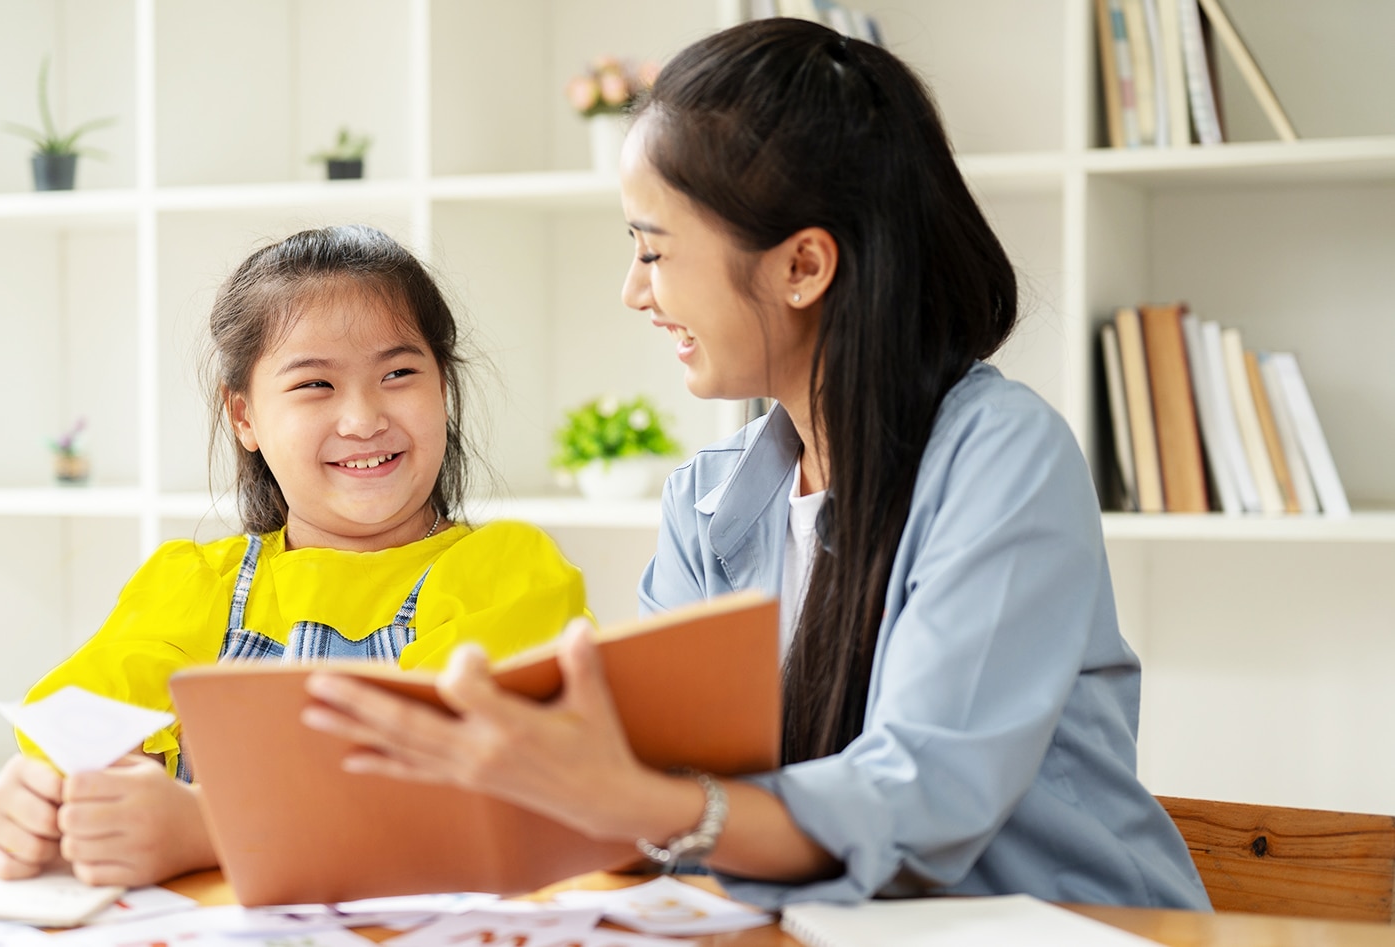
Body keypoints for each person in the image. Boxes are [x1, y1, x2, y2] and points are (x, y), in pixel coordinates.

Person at [297, 20, 1212, 910]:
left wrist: (625, 798)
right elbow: (672, 783)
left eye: (654, 250)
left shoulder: (1004, 459)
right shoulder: (709, 498)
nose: (635, 291)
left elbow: (920, 807)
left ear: (804, 266)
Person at [0, 224, 589, 887]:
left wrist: (207, 827)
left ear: (442, 387)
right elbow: (79, 736)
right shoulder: (195, 585)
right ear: (243, 415)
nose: (363, 418)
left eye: (399, 373)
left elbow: (452, 795)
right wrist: (47, 804)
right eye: (315, 385)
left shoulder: (508, 575)